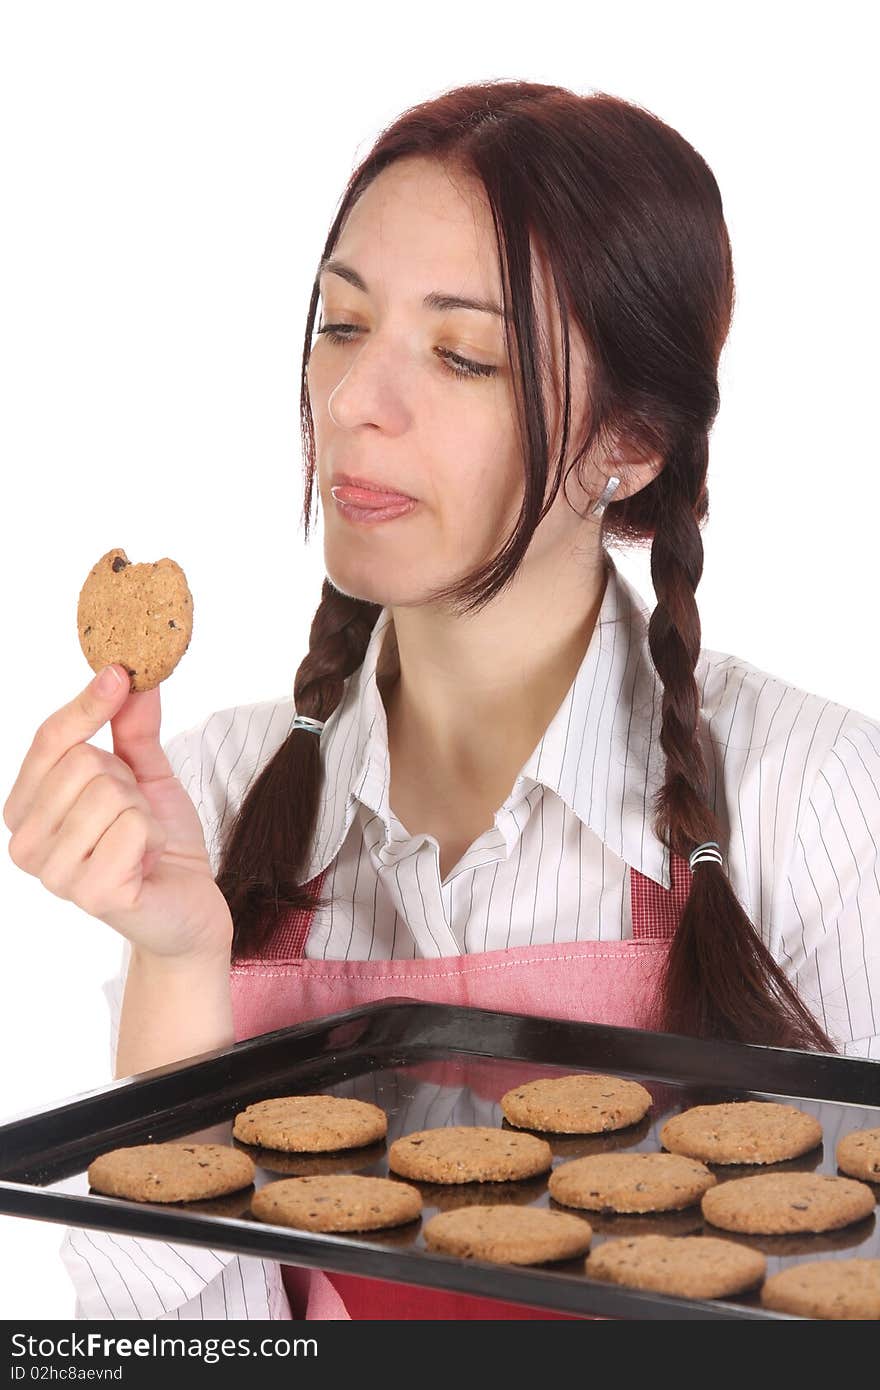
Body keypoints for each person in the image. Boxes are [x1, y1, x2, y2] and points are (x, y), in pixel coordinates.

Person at [5, 79, 879, 1322]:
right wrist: (178, 965)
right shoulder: (209, 796)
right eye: (342, 326)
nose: (358, 403)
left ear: (627, 440)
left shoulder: (814, 799)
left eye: (463, 353)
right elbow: (185, 1356)